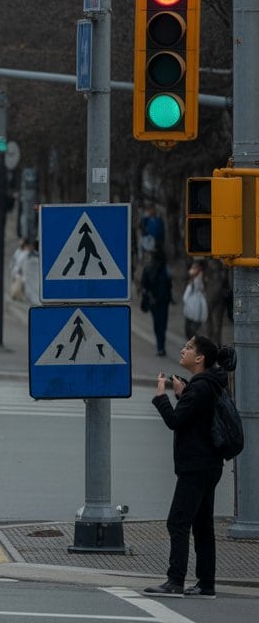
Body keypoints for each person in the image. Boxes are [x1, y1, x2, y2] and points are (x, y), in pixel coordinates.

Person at [145, 336, 235, 598]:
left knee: (178, 522)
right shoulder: (210, 384)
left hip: (196, 465)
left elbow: (175, 421)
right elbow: (195, 418)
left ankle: (175, 581)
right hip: (209, 464)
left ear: (199, 358)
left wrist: (161, 396)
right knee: (202, 525)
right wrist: (182, 395)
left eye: (188, 348)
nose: (183, 350)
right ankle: (206, 584)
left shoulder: (200, 387)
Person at [141, 250, 173, 356]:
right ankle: (161, 346)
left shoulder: (149, 268)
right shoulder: (165, 269)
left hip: (154, 301)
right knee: (163, 324)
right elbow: (169, 285)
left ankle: (160, 347)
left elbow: (144, 284)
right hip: (163, 301)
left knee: (157, 324)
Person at [181, 261, 208, 339]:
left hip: (195, 304)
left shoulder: (199, 278)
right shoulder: (195, 279)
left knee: (193, 326)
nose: (192, 269)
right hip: (193, 303)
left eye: (195, 267)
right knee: (190, 325)